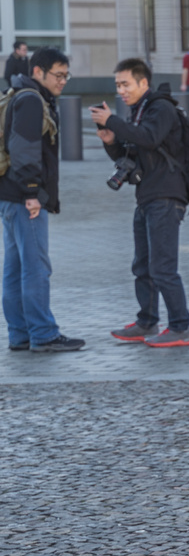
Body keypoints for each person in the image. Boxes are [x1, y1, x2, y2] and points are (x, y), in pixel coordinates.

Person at [89, 58, 189, 348]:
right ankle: (147, 320)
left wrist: (112, 120)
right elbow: (132, 157)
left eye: (125, 84)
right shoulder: (139, 111)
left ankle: (181, 327)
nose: (121, 90)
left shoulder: (160, 107)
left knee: (163, 267)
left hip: (166, 198)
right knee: (143, 266)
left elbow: (148, 138)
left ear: (143, 83)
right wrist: (112, 141)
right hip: (147, 197)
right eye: (117, 85)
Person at [0, 46, 82, 352]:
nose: (63, 81)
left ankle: (20, 334)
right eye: (58, 75)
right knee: (35, 267)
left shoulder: (19, 93)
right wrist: (33, 193)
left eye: (66, 75)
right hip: (23, 198)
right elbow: (25, 150)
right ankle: (43, 334)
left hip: (9, 195)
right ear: (38, 72)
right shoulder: (32, 101)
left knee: (15, 268)